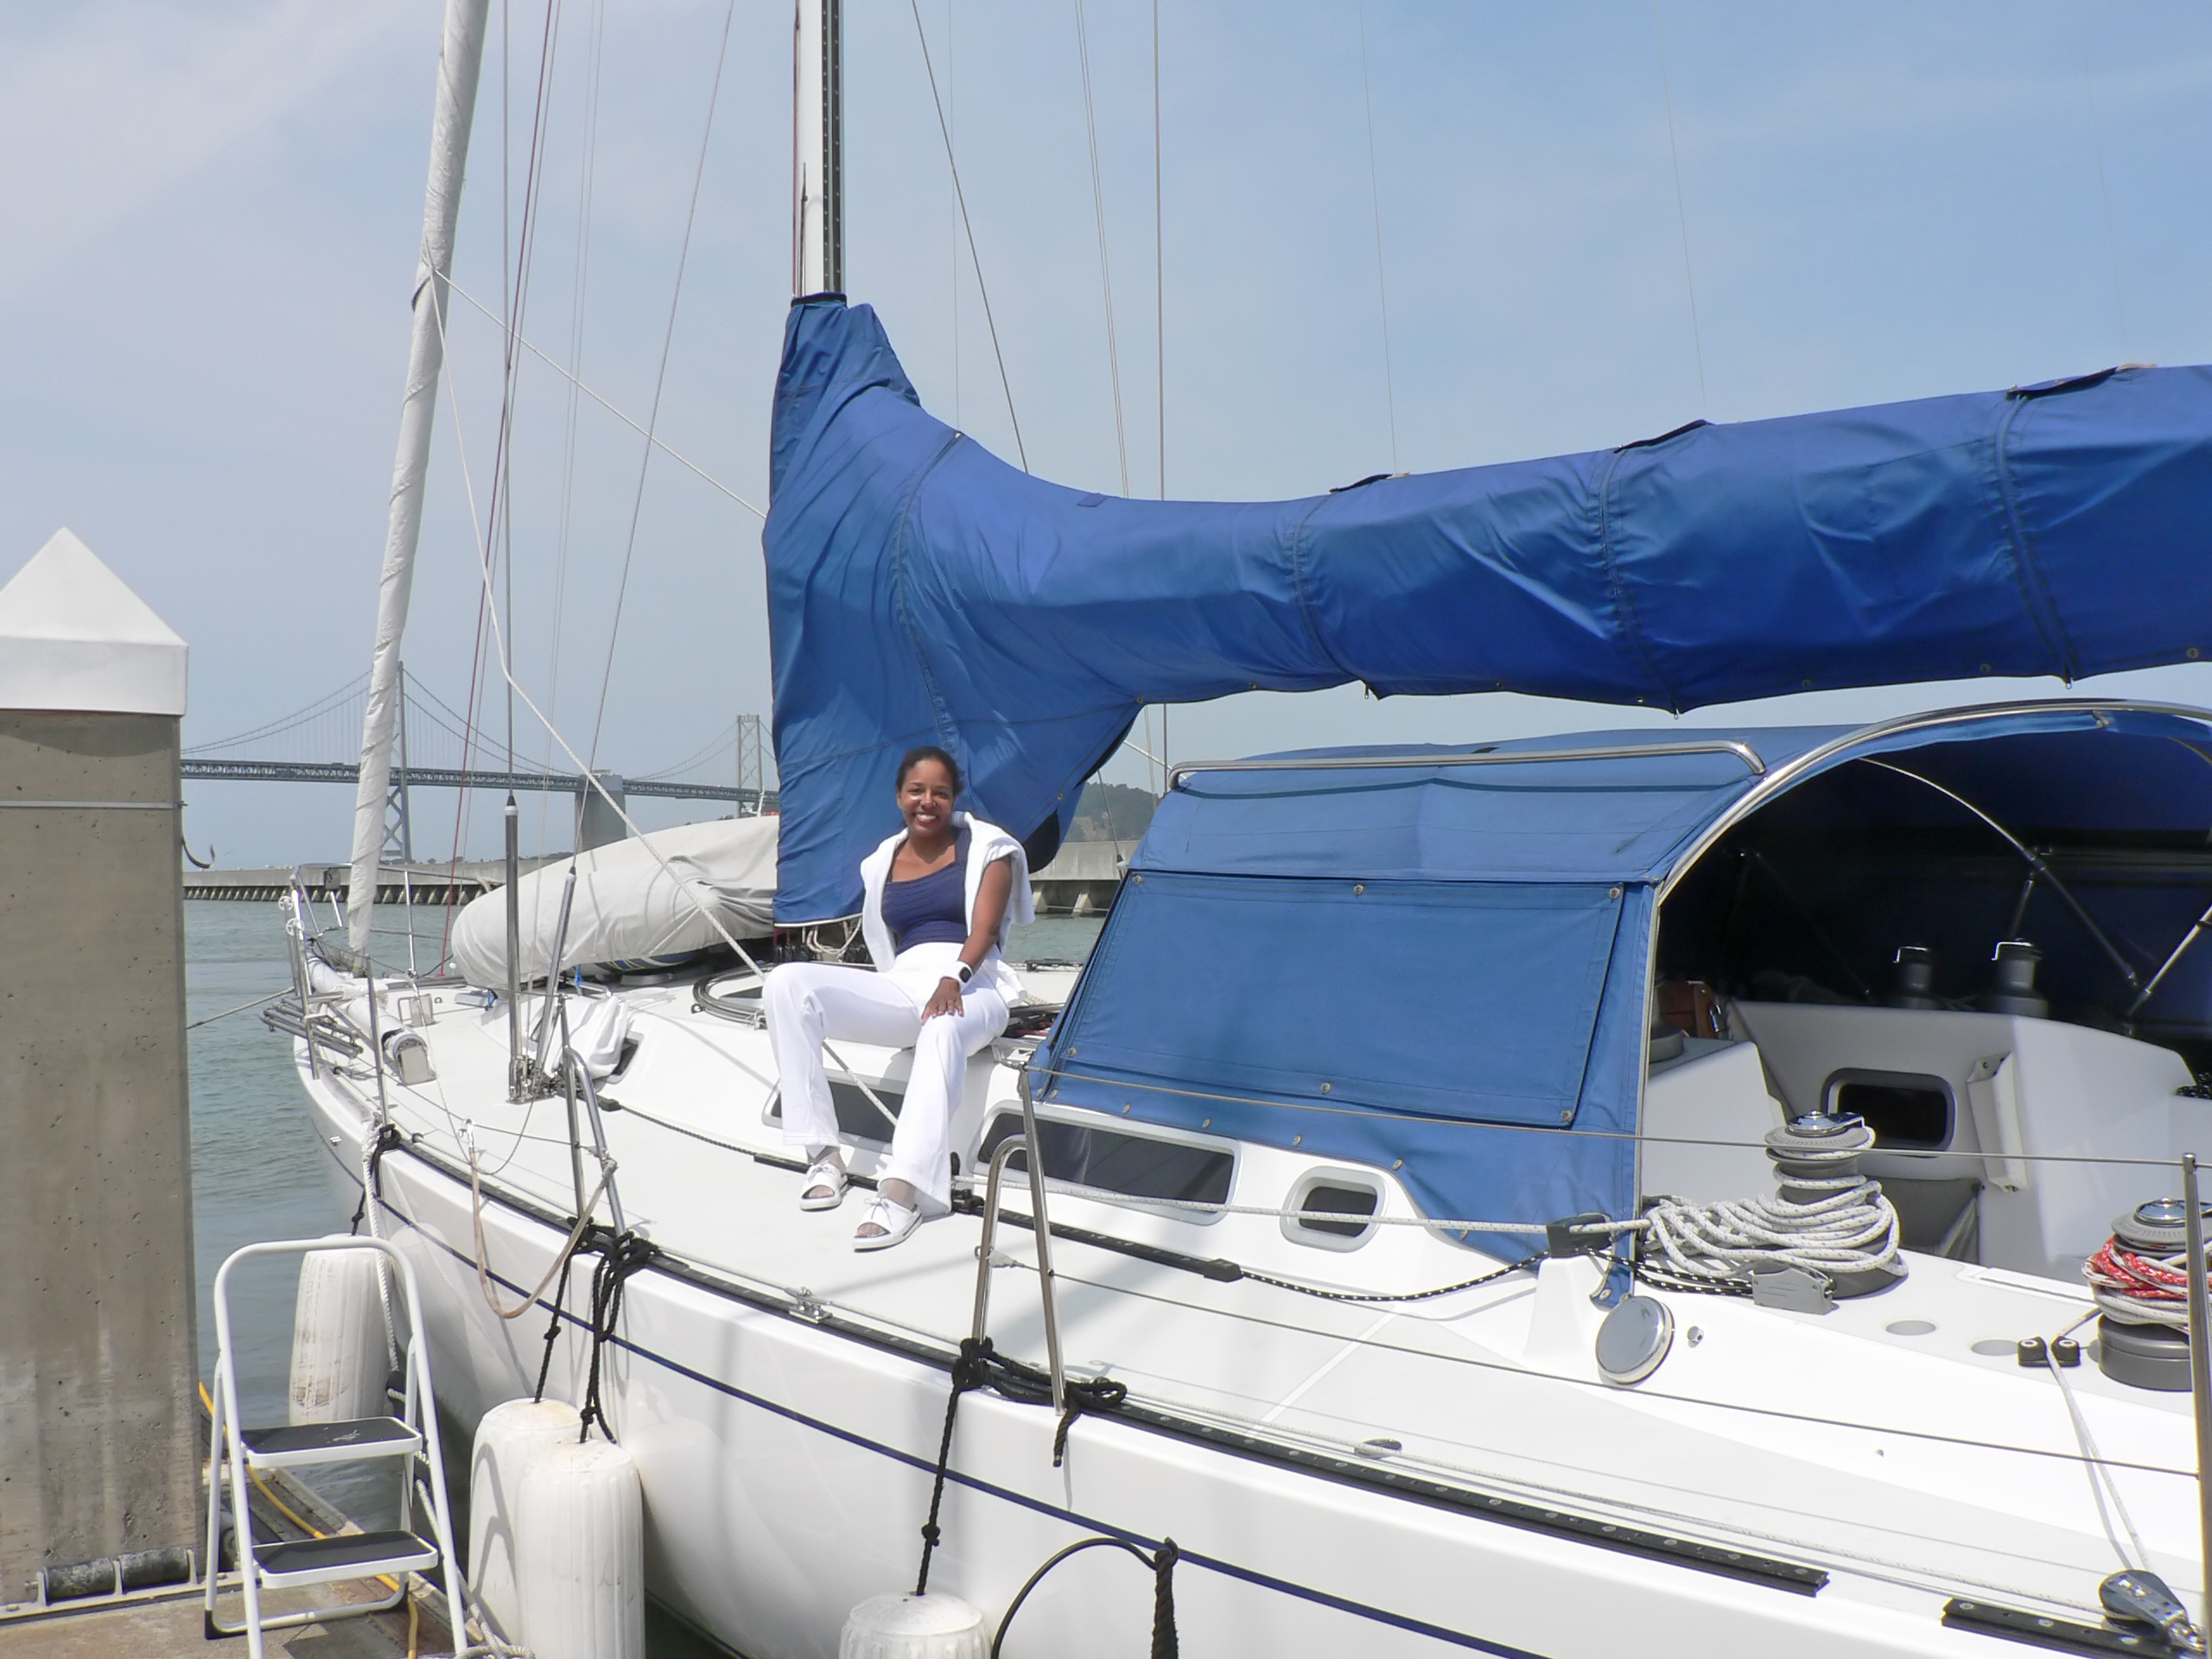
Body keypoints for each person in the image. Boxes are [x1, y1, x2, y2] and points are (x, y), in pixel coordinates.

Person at [763, 746, 1032, 1249]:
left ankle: (902, 1190)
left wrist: (954, 978)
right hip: (906, 982)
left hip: (976, 982)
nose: (927, 801)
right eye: (916, 791)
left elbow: (986, 929)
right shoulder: (882, 861)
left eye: (940, 793)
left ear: (954, 798)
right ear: (899, 796)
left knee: (943, 1026)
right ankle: (823, 1155)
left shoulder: (989, 849)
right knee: (787, 984)